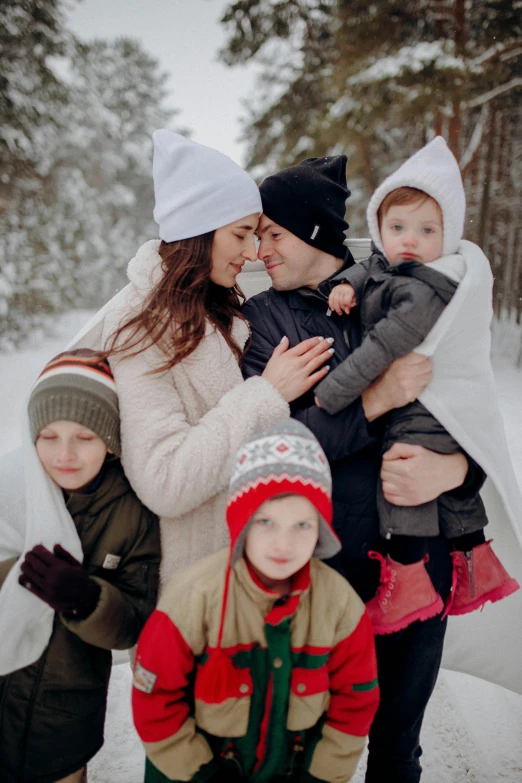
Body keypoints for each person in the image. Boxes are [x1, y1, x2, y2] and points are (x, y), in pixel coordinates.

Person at [240, 154, 489, 783]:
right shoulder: (266, 321)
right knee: (310, 750)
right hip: (324, 570)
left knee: (398, 750)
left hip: (416, 558)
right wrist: (378, 399)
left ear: (316, 232)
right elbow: (279, 446)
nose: (259, 249)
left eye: (273, 233)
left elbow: (469, 408)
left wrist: (459, 470)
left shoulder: (407, 284)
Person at [90, 129, 333, 586]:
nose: (253, 253)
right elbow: (165, 481)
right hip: (193, 597)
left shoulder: (218, 307)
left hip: (256, 575)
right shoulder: (140, 326)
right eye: (241, 234)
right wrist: (267, 394)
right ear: (197, 233)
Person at [313, 137, 519, 633]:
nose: (409, 239)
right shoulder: (392, 265)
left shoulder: (426, 288)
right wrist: (346, 285)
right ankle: (477, 564)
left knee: (401, 482)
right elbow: (371, 268)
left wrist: (334, 393)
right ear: (379, 229)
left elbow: (380, 348)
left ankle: (407, 583)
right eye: (397, 226)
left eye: (427, 229)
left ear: (447, 236)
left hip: (425, 407)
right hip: (418, 405)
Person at [132, 419, 380, 783]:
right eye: (266, 522)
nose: (284, 544)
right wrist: (199, 773)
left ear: (321, 531)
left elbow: (355, 703)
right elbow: (154, 699)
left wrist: (323, 776)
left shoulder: (341, 608)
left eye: (302, 525)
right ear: (242, 522)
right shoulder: (191, 599)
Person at [0, 349, 161, 783]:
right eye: (48, 436)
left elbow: (133, 625)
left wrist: (86, 600)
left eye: (84, 437)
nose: (64, 453)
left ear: (108, 438)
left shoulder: (131, 513)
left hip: (66, 714)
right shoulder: (10, 491)